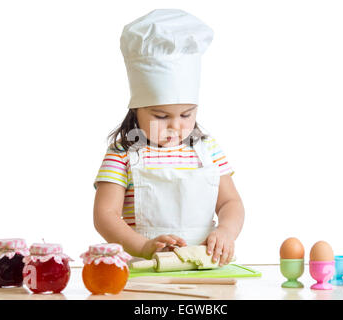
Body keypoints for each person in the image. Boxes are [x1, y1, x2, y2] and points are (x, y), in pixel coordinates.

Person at [93, 9, 244, 267]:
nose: (176, 126)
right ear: (137, 109)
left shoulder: (207, 149)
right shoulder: (123, 152)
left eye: (187, 114)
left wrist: (226, 232)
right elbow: (105, 215)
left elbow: (231, 202)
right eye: (161, 116)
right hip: (143, 269)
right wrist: (143, 246)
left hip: (204, 269)